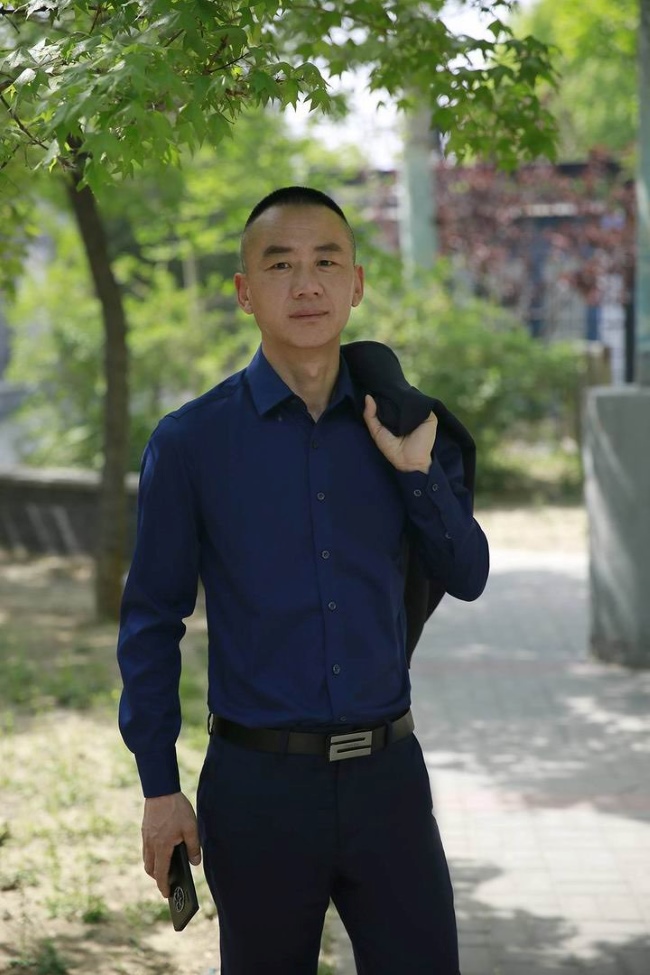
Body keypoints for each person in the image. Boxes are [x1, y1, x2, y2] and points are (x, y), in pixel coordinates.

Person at [117, 186, 489, 975]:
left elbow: (469, 574)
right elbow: (151, 620)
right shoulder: (190, 443)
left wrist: (417, 474)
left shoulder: (406, 425)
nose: (307, 284)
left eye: (327, 261)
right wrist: (159, 787)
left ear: (356, 283)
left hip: (389, 779)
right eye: (280, 265)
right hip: (258, 787)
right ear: (245, 292)